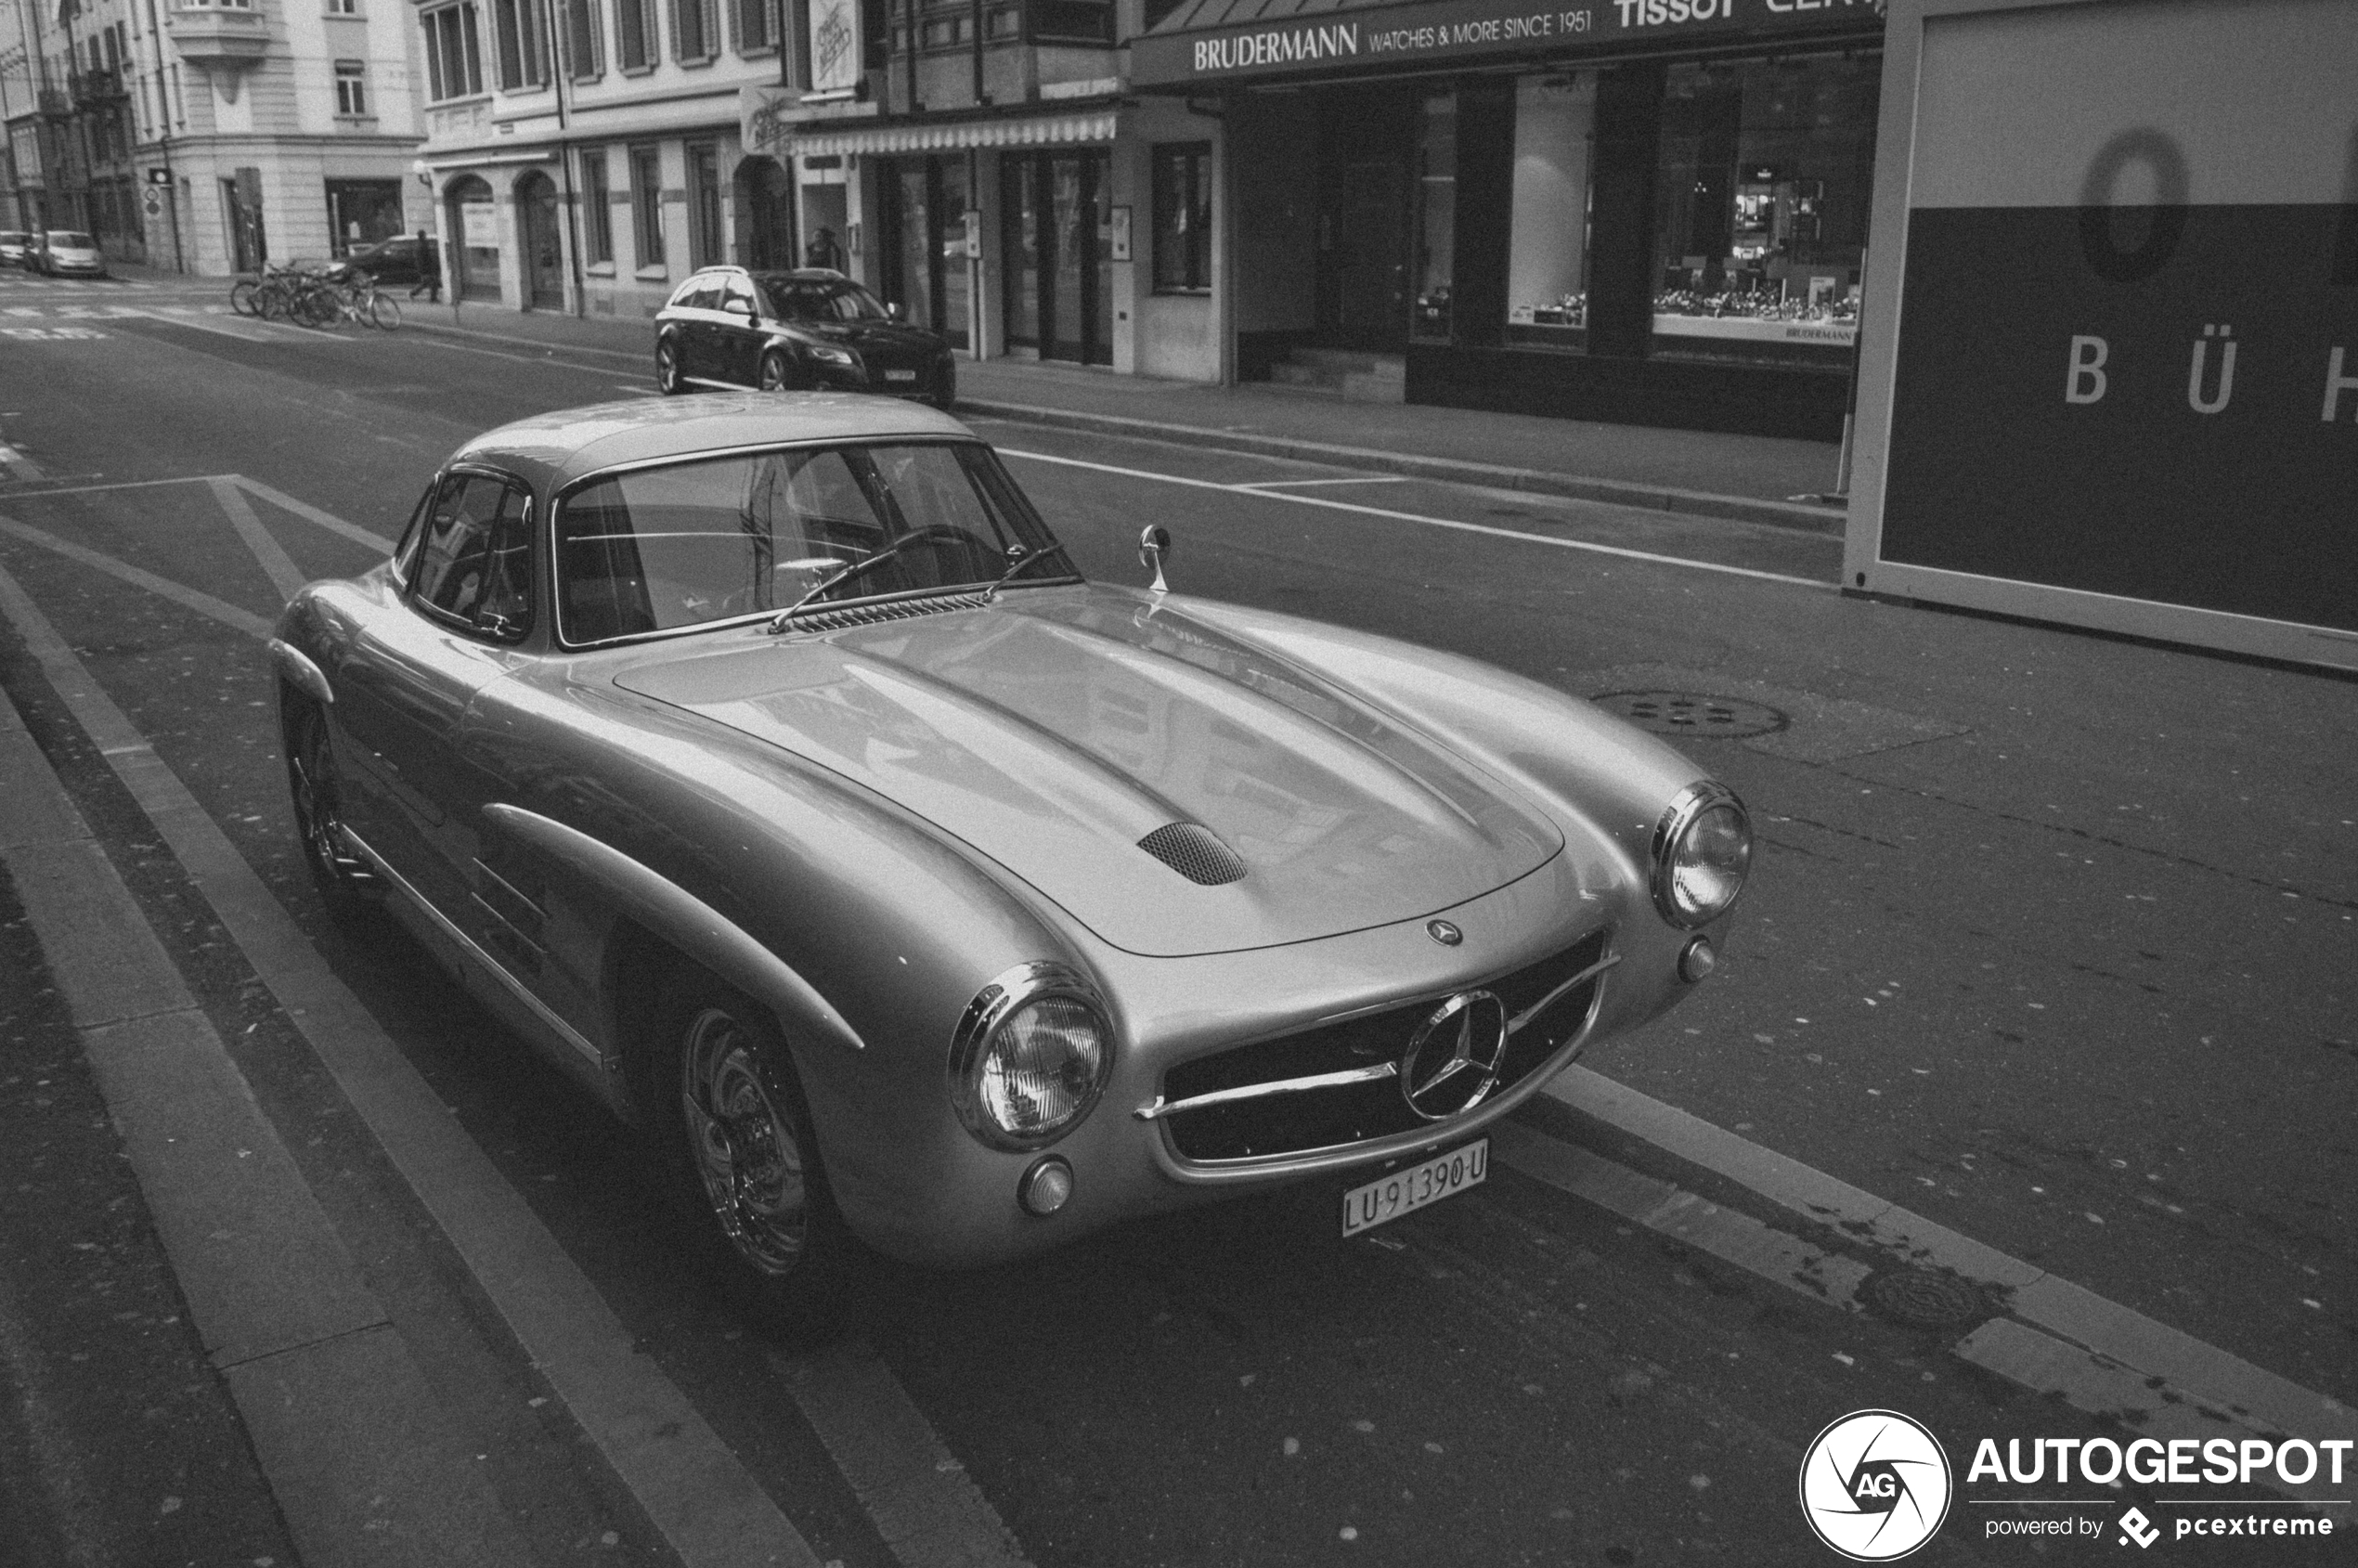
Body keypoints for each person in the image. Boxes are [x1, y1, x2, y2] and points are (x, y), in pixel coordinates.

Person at [411, 229, 442, 302]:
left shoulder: (419, 244)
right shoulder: (422, 245)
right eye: (425, 235)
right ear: (423, 236)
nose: (426, 236)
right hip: (426, 268)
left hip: (422, 268)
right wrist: (430, 267)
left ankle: (413, 293)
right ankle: (433, 298)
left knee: (426, 283)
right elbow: (426, 258)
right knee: (434, 282)